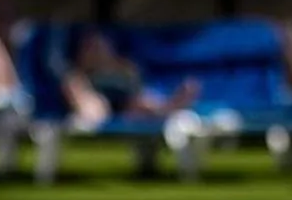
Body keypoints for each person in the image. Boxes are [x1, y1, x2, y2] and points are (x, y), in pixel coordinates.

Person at [62, 28, 198, 129]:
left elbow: (138, 91)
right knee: (93, 107)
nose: (96, 52)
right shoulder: (76, 77)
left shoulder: (125, 67)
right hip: (95, 105)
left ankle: (167, 108)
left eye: (99, 46)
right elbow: (74, 92)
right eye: (90, 47)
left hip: (127, 106)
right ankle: (92, 126)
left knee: (142, 102)